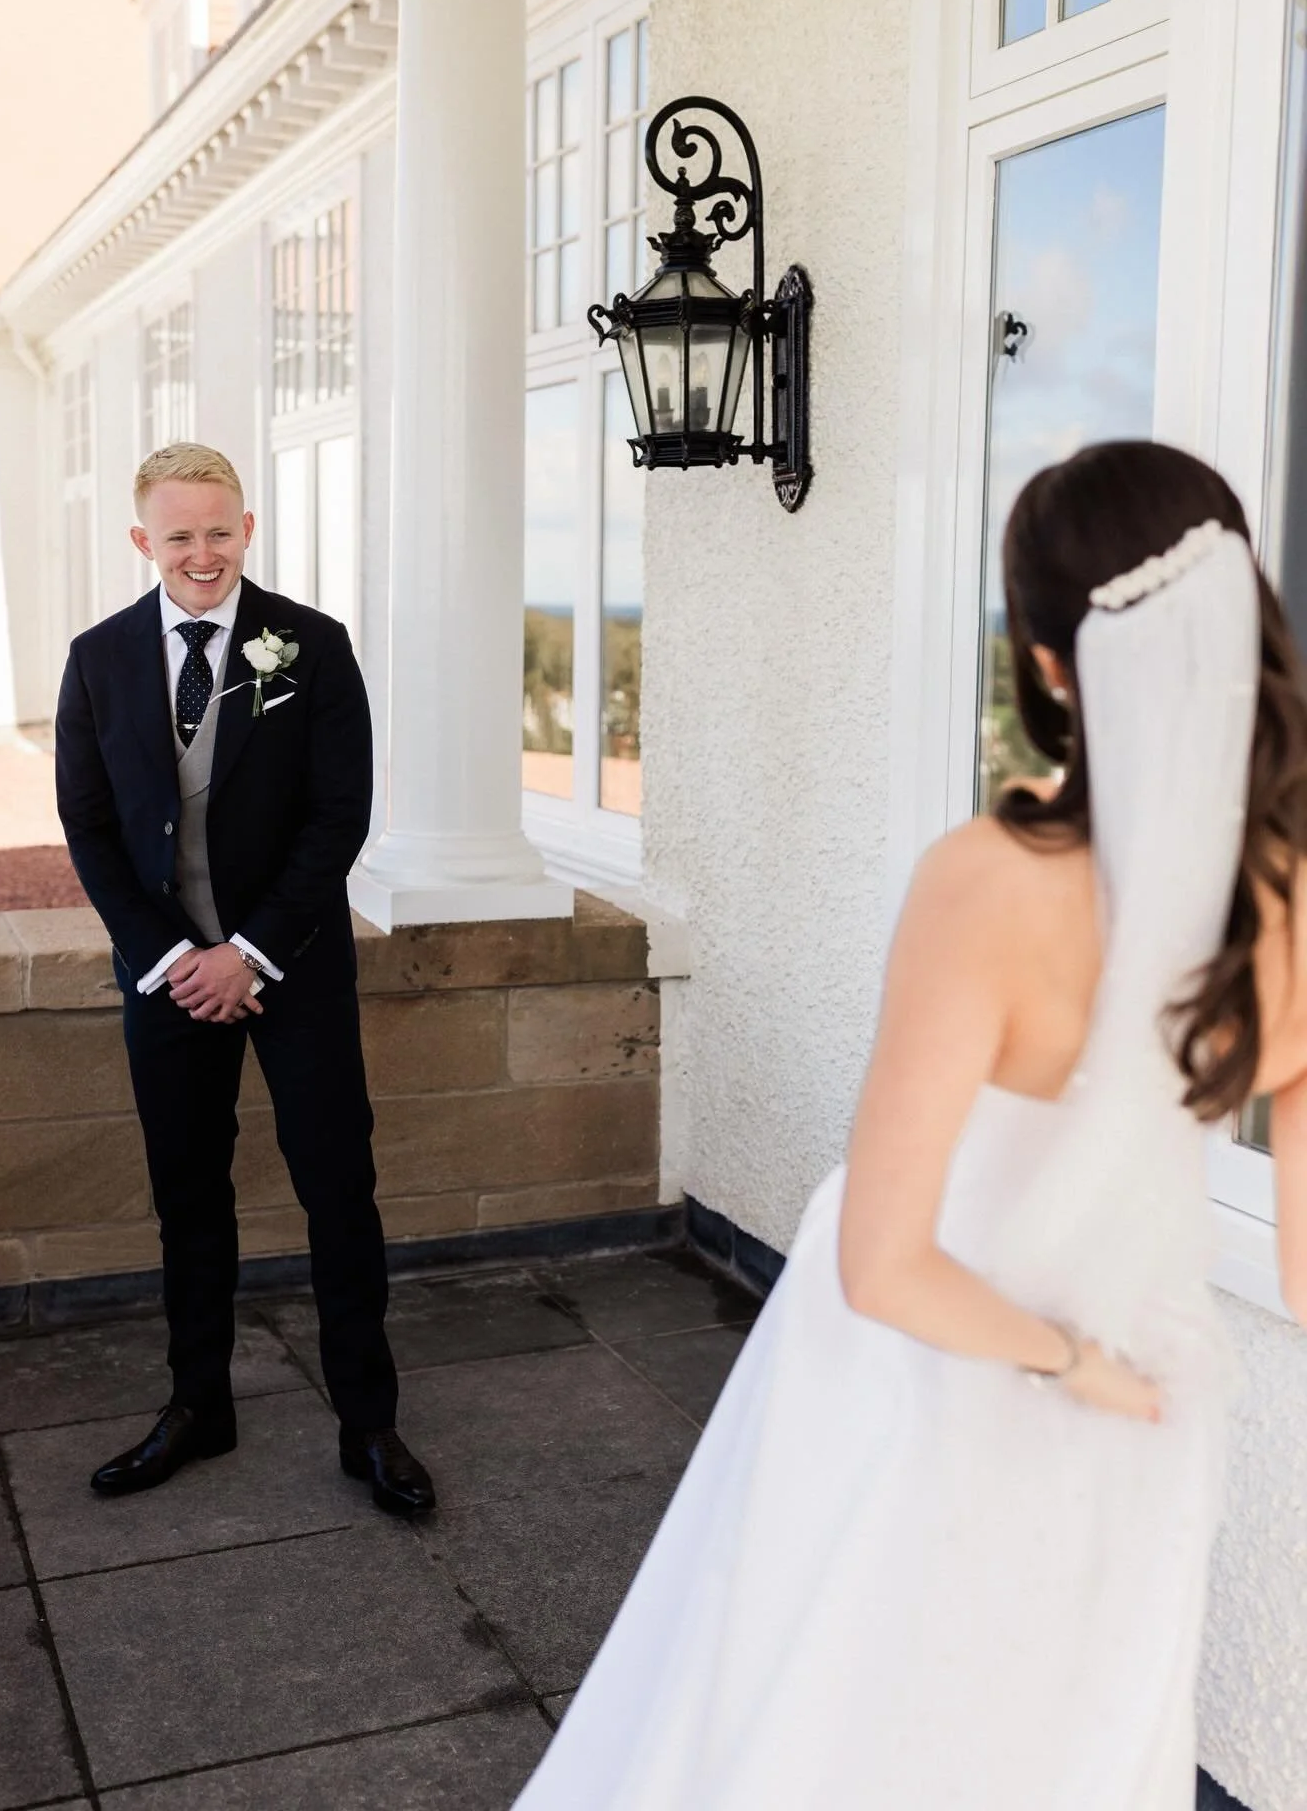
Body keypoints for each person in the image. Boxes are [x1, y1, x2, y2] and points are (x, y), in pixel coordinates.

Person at [512, 440, 1307, 1809]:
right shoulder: (1286, 900)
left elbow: (888, 1267)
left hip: (928, 1383)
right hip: (1157, 1408)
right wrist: (1124, 1377)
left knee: (831, 1725)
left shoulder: (985, 881)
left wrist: (1068, 1360)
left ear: (1050, 666)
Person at [55, 442, 434, 1516]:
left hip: (292, 970)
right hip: (168, 982)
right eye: (179, 535)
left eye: (220, 530)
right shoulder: (98, 659)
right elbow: (88, 826)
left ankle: (369, 1425)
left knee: (337, 1193)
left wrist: (252, 951)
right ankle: (197, 1406)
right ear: (144, 542)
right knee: (188, 1198)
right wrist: (177, 959)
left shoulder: (310, 646)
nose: (202, 552)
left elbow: (337, 815)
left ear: (247, 529)